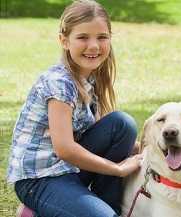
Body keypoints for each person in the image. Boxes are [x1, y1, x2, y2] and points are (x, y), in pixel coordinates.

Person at [7, 1, 142, 217]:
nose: (94, 46)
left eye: (102, 37)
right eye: (82, 37)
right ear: (64, 41)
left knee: (122, 124)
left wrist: (150, 149)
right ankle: (49, 208)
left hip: (68, 170)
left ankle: (101, 205)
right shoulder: (59, 83)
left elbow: (103, 133)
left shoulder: (91, 78)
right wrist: (118, 169)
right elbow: (65, 149)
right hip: (40, 179)